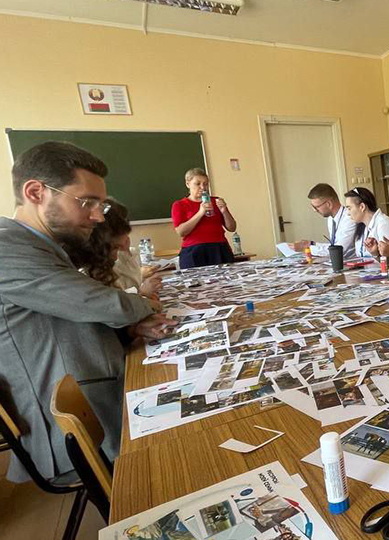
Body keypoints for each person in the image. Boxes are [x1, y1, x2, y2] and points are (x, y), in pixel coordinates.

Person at [0, 141, 174, 482]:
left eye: (100, 204)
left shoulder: (42, 245)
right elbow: (98, 303)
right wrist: (143, 307)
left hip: (98, 388)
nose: (97, 217)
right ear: (36, 192)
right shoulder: (7, 247)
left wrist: (129, 331)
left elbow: (66, 320)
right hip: (77, 432)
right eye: (87, 202)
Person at [74, 197, 162, 298]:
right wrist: (141, 295)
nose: (116, 257)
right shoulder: (83, 276)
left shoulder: (104, 266)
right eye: (115, 248)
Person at [171, 168, 237, 269]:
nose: (203, 187)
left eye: (205, 184)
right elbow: (181, 232)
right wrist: (200, 213)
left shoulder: (216, 201)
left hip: (219, 248)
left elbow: (232, 228)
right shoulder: (180, 205)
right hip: (194, 251)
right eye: (197, 184)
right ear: (188, 184)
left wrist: (224, 211)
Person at [290, 183, 355, 258]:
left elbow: (339, 249)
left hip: (352, 262)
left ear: (329, 204)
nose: (314, 210)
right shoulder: (331, 219)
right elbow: (333, 246)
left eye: (316, 207)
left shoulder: (349, 217)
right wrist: (311, 244)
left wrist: (306, 248)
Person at [343, 186, 389, 259]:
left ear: (362, 207)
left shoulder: (384, 224)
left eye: (349, 208)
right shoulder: (363, 226)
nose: (348, 213)